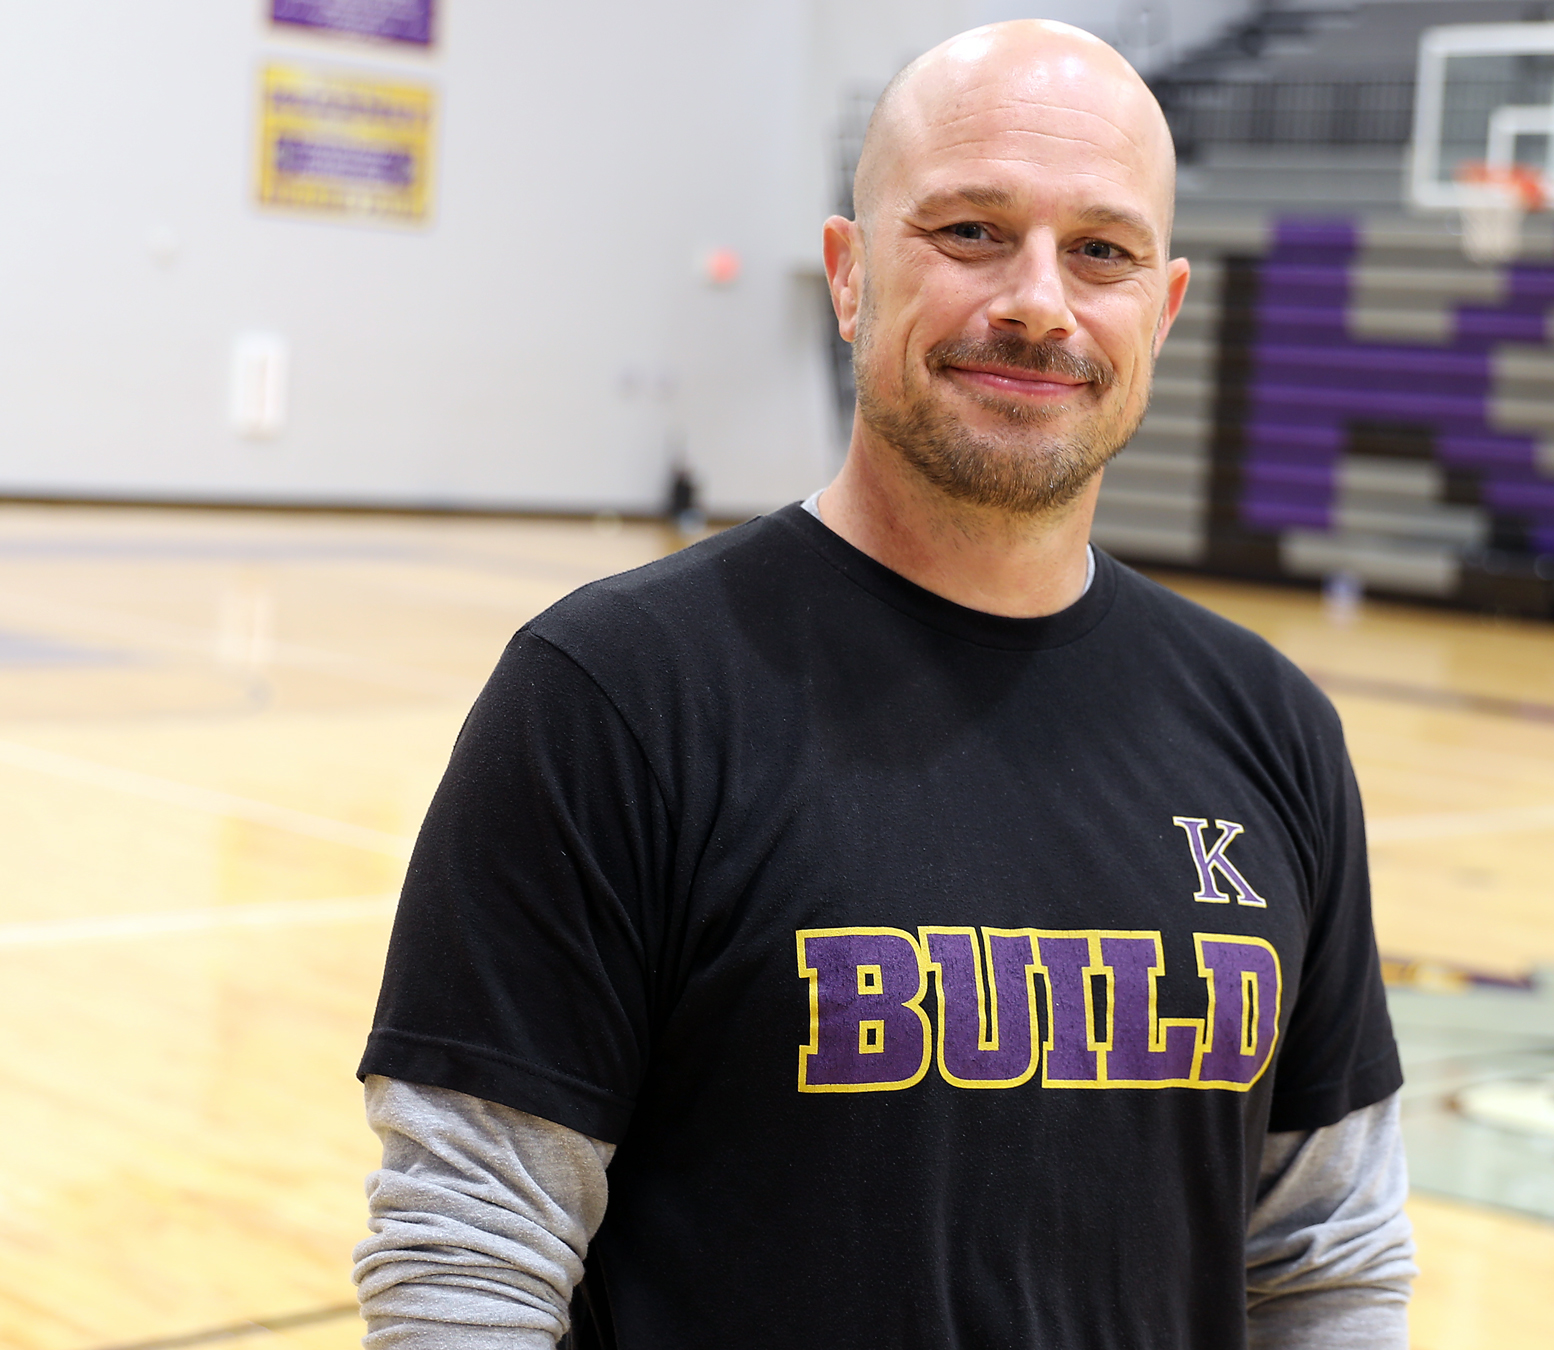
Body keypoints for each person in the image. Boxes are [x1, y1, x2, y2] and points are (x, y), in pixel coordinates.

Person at [350, 19, 1414, 1350]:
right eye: (971, 231)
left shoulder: (1272, 728)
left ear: (1165, 305)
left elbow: (1325, 1257)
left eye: (1102, 250)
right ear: (849, 275)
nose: (1039, 302)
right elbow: (470, 1250)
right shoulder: (615, 695)